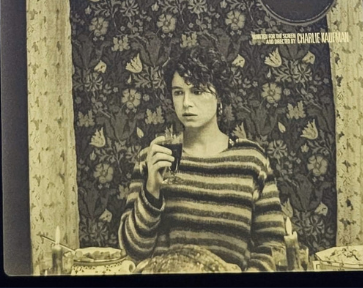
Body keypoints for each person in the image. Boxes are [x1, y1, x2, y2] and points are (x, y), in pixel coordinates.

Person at [118, 46, 286, 272]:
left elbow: (274, 245)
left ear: (220, 97)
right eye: (178, 92)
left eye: (197, 91)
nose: (186, 102)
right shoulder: (156, 157)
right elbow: (133, 251)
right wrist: (152, 190)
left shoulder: (251, 160)